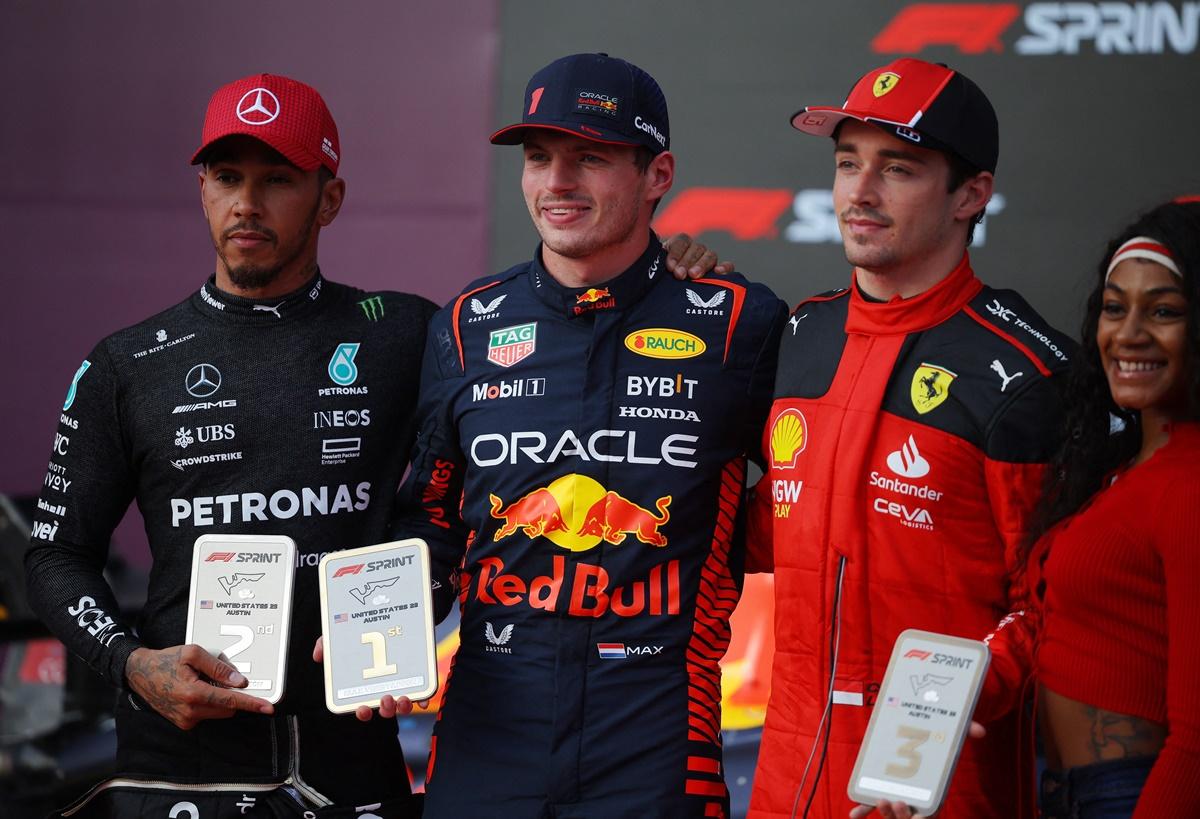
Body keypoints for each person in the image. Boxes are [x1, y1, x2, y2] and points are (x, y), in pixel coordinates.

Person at [24, 73, 439, 817]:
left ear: (330, 198)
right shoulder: (128, 363)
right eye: (226, 177)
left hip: (352, 763)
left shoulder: (403, 333)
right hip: (182, 767)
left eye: (278, 178)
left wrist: (672, 276)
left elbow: (469, 491)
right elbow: (54, 554)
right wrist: (131, 663)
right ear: (202, 189)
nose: (247, 203)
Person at [386, 52, 787, 818]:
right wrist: (380, 633)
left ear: (657, 174)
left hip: (658, 731)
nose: (556, 182)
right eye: (539, 158)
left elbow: (809, 501)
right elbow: (429, 518)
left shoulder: (741, 321)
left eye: (589, 157)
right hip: (488, 729)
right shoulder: (469, 325)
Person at [745, 58, 1074, 818]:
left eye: (898, 169)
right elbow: (759, 527)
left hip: (938, 783)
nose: (859, 193)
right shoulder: (799, 335)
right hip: (785, 771)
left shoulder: (1027, 376)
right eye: (847, 163)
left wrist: (939, 710)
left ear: (972, 194)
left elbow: (1053, 604)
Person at [1029, 197, 1200, 816]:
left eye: (1164, 311)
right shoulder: (1123, 466)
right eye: (1114, 308)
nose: (1128, 334)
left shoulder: (1188, 486)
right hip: (1064, 790)